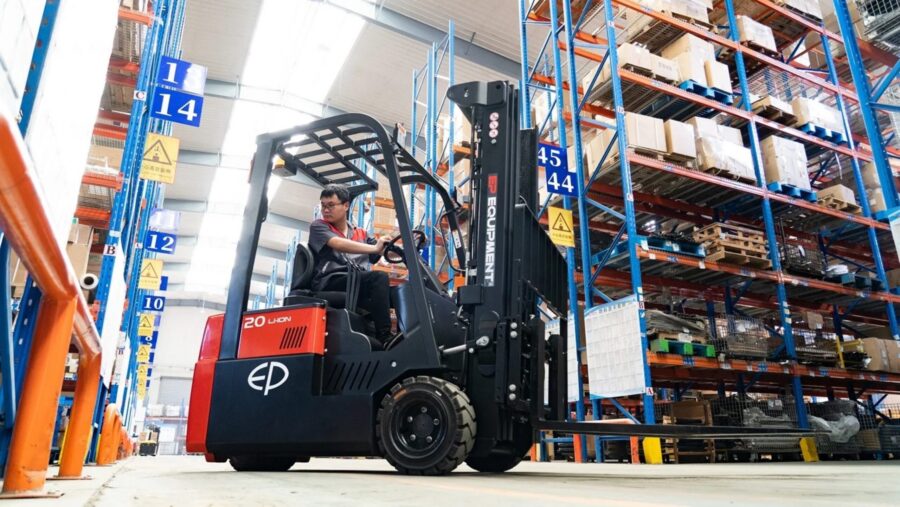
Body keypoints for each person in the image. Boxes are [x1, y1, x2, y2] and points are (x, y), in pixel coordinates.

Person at [308, 184, 394, 344]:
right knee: (379, 278)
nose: (326, 210)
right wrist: (375, 248)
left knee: (395, 294)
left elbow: (382, 251)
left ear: (346, 206)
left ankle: (398, 337)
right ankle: (385, 336)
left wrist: (405, 248)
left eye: (331, 205)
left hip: (356, 281)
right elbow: (338, 243)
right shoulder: (319, 226)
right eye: (323, 205)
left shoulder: (360, 233)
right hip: (331, 280)